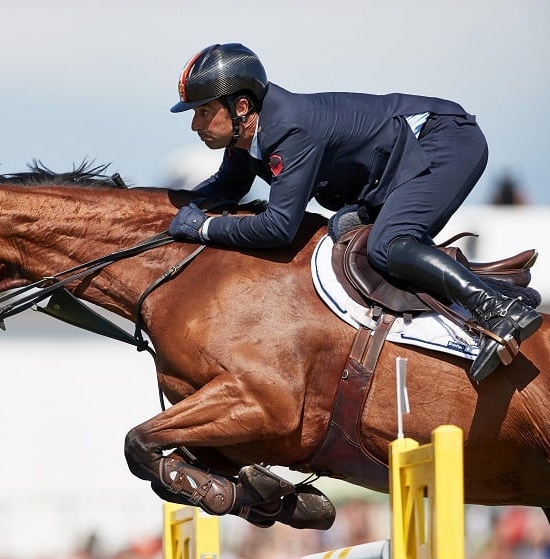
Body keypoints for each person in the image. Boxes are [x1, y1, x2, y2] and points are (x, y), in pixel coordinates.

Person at [167, 43, 542, 382]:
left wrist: (204, 229)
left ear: (241, 107)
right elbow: (225, 189)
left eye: (202, 112)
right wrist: (156, 211)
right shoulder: (244, 138)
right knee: (353, 234)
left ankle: (500, 309)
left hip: (444, 141)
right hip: (400, 162)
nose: (195, 125)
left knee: (389, 244)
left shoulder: (288, 130)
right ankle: (497, 293)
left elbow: (278, 228)